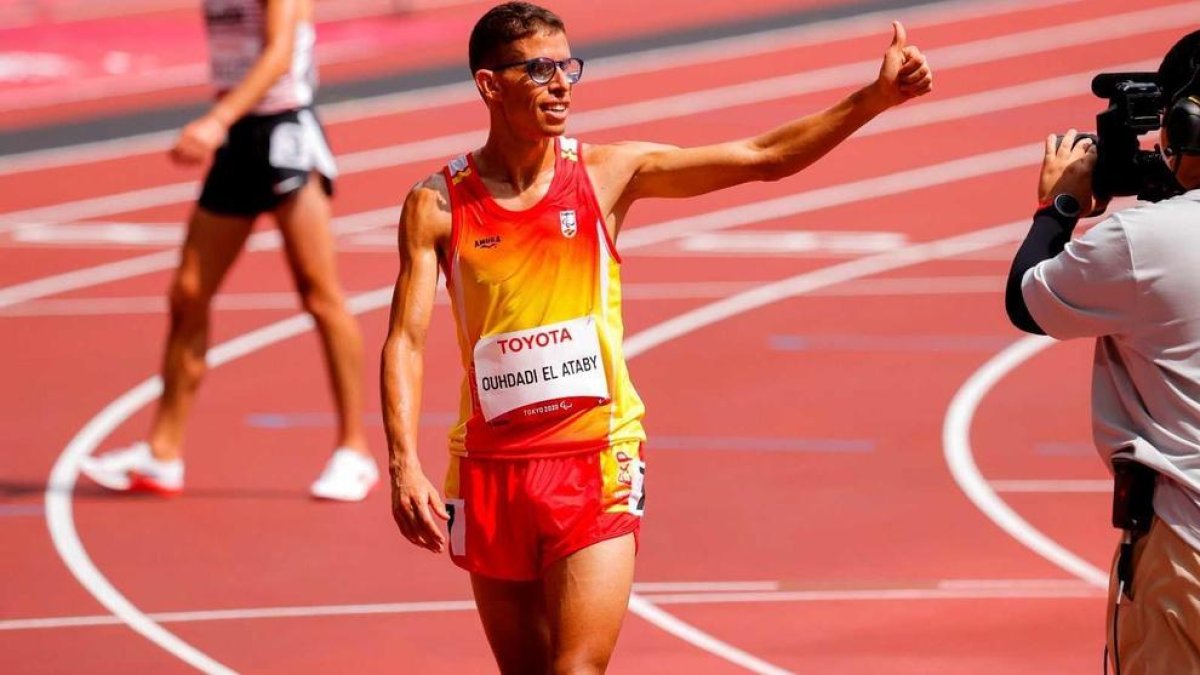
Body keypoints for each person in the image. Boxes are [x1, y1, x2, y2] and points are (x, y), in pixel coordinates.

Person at [380, 2, 931, 672]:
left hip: (597, 459)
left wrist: (873, 98)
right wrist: (403, 460)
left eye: (568, 67)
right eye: (540, 69)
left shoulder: (609, 174)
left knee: (577, 667)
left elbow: (764, 157)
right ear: (490, 85)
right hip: (490, 469)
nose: (562, 84)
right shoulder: (438, 204)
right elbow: (406, 339)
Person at [80, 0, 378, 502]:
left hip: (283, 131)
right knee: (188, 292)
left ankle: (355, 450)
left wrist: (216, 119)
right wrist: (226, 123)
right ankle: (163, 452)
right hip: (239, 140)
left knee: (318, 293)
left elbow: (280, 51)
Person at [1005, 30, 1200, 675]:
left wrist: (1058, 205)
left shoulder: (1146, 241)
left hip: (1186, 543)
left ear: (1181, 126)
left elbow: (1028, 300)